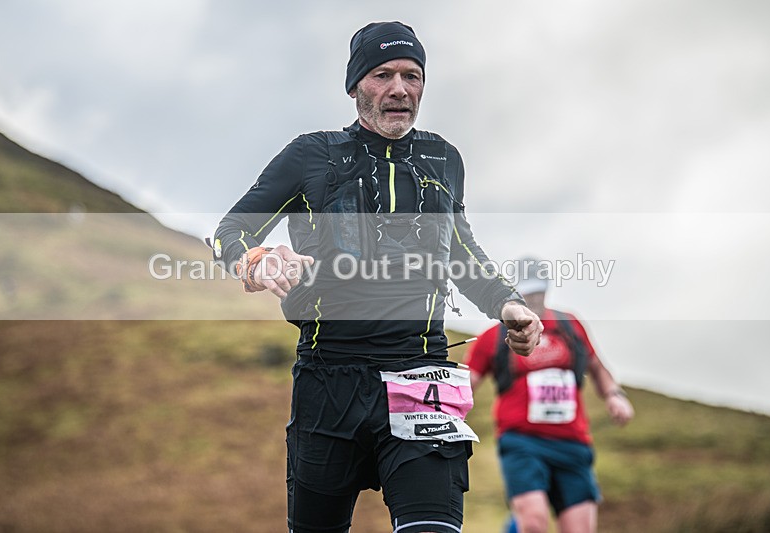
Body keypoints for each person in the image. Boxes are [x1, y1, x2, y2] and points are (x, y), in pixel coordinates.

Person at [211, 21, 543, 533]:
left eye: (412, 75)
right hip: (329, 379)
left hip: (422, 373)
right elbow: (229, 231)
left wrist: (509, 303)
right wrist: (257, 258)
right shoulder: (311, 154)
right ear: (355, 86)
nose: (399, 89)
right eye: (382, 74)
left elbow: (460, 251)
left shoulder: (443, 158)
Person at [464, 259, 634, 533]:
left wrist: (614, 395)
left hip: (573, 443)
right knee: (533, 524)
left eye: (539, 292)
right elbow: (469, 381)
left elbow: (597, 368)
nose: (534, 299)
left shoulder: (570, 326)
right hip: (522, 443)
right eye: (527, 294)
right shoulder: (494, 338)